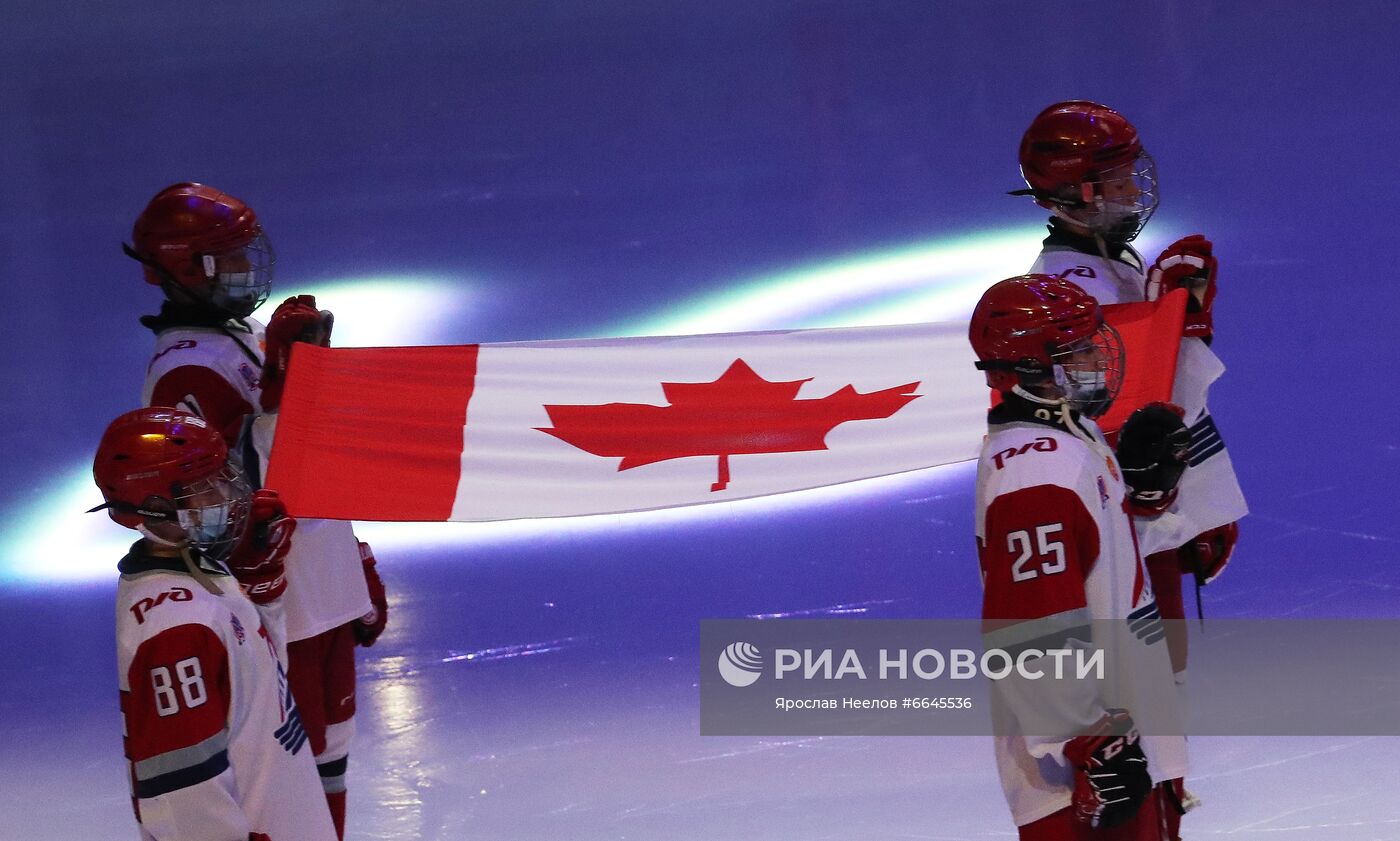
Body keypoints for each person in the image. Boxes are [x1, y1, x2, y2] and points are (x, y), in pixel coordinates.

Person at [125, 183, 387, 838]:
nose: (249, 268)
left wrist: (352, 559)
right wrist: (279, 394)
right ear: (191, 270)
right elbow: (224, 495)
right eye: (231, 257)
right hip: (280, 603)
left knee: (330, 761)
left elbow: (315, 460)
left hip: (316, 587)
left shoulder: (245, 335)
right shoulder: (185, 373)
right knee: (292, 775)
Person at [1012, 100, 1245, 691]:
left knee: (1161, 681)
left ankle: (1166, 782)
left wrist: (1192, 502)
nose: (1132, 187)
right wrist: (1183, 329)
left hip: (1143, 508)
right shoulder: (1073, 288)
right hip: (1125, 522)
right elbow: (1118, 408)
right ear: (1079, 192)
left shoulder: (1112, 258)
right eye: (1116, 176)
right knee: (1143, 684)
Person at [970, 275, 1194, 840]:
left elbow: (1095, 562)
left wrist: (1140, 498)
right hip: (1080, 768)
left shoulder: (1071, 437)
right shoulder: (1034, 474)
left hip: (1121, 730)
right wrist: (1090, 741)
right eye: (1080, 350)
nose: (1099, 357)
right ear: (1030, 368)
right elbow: (1030, 626)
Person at [92, 406, 338, 841]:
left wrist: (262, 587)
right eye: (203, 487)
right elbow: (184, 790)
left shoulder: (201, 572)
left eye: (223, 476)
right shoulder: (174, 631)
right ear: (152, 507)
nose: (226, 495)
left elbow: (259, 684)